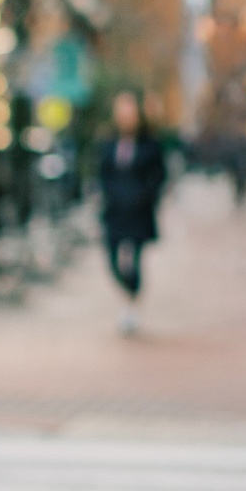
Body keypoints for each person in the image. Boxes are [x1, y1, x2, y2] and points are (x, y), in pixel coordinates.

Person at [97, 90, 167, 335]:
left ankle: (131, 305)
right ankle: (130, 295)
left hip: (138, 213)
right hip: (114, 211)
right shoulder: (109, 143)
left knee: (134, 260)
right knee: (113, 261)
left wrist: (145, 196)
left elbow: (159, 175)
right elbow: (102, 174)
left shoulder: (150, 145)